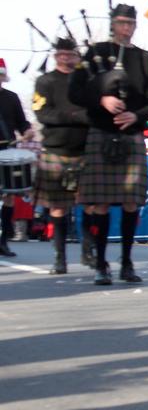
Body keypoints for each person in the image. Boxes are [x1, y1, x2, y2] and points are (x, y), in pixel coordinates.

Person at [69, 3, 148, 285]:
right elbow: (75, 92)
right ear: (112, 24)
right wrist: (102, 99)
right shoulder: (95, 54)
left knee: (132, 202)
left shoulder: (144, 59)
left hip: (131, 133)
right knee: (100, 204)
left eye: (130, 23)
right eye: (121, 22)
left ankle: (127, 262)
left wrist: (137, 114)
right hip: (100, 131)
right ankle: (100, 264)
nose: (126, 28)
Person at [32, 38, 89, 273]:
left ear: (77, 55)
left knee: (90, 205)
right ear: (56, 56)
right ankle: (60, 257)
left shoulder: (86, 81)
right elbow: (42, 113)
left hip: (85, 149)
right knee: (57, 207)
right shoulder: (45, 81)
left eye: (70, 54)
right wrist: (74, 116)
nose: (66, 57)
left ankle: (89, 251)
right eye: (62, 54)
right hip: (56, 149)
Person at [0, 58, 35, 257]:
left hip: (7, 151)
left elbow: (22, 123)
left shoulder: (11, 98)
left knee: (9, 197)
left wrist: (28, 130)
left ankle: (3, 240)